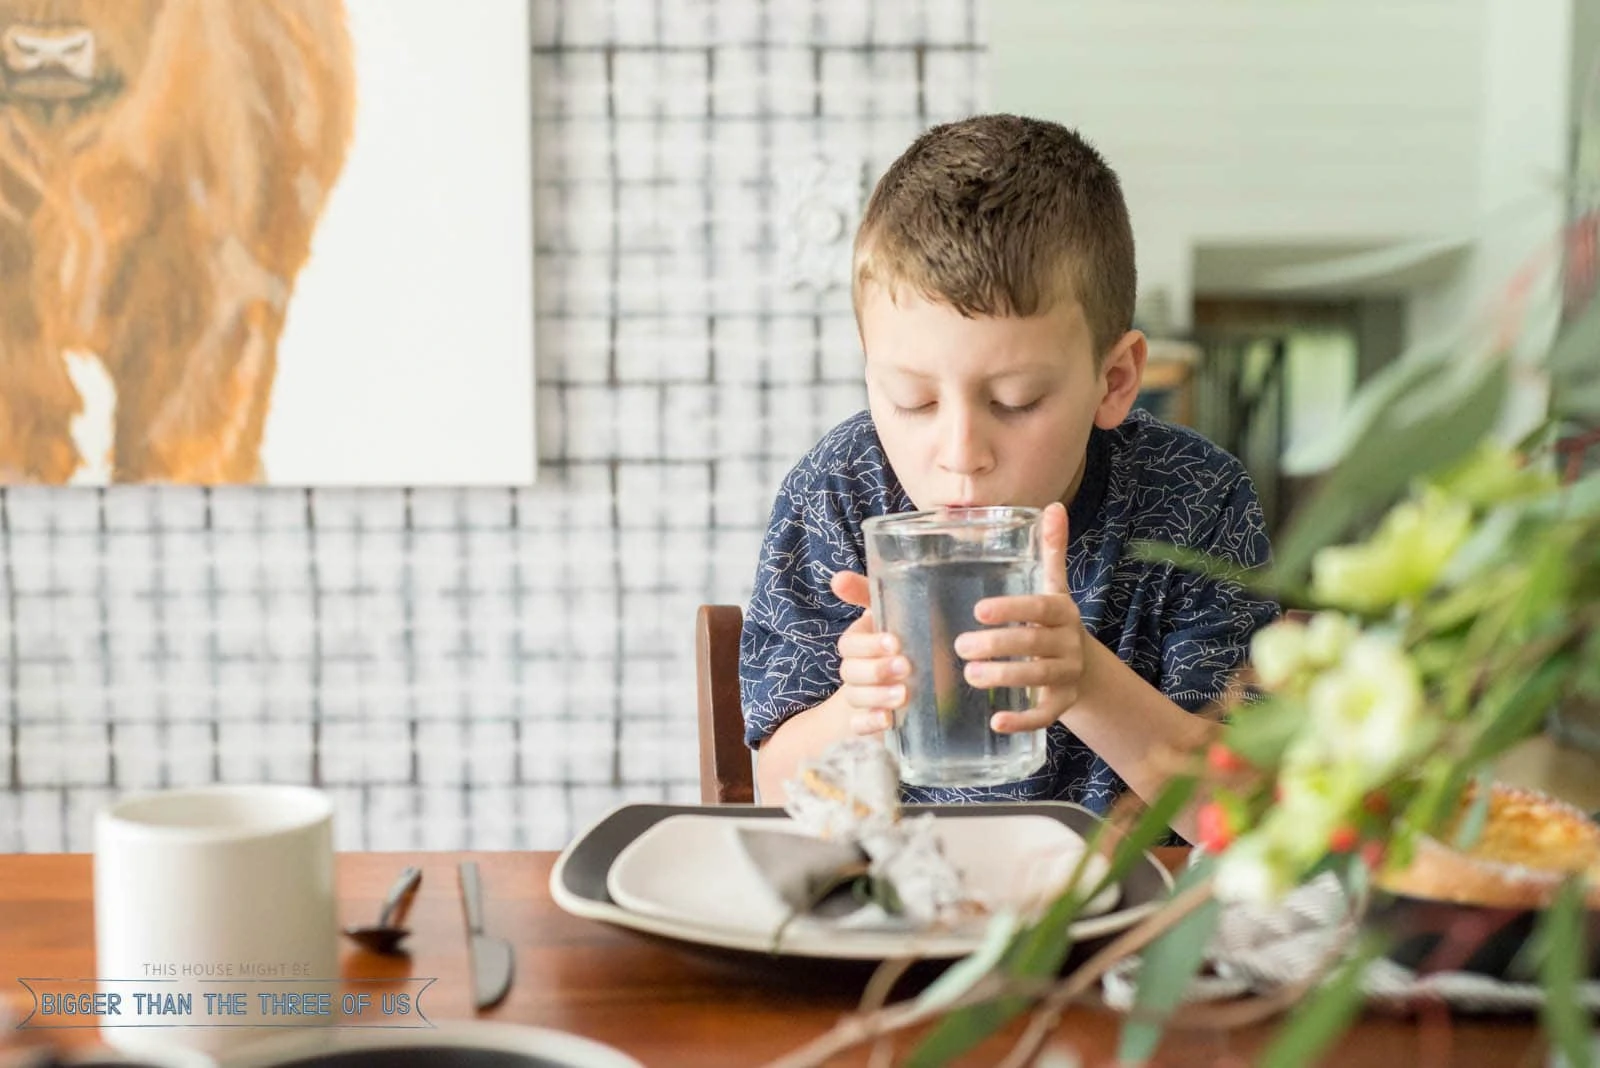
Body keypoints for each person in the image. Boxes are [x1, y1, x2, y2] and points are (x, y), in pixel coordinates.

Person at [739, 114, 1278, 841]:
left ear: (1113, 380)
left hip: (1116, 922)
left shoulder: (1193, 499)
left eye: (1016, 401)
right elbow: (775, 789)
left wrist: (1085, 680)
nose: (961, 453)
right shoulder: (839, 491)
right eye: (913, 400)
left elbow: (1245, 817)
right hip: (898, 917)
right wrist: (857, 712)